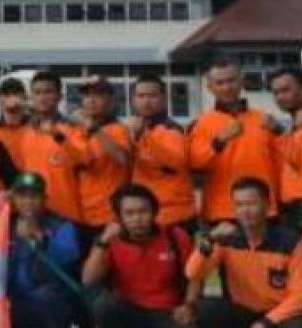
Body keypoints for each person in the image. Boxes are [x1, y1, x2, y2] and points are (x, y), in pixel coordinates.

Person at [186, 177, 302, 328]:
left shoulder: (291, 242)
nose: (245, 210)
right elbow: (193, 272)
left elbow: (299, 296)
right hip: (244, 313)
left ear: (268, 205)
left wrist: (261, 325)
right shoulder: (226, 239)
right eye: (239, 204)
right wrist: (209, 239)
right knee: (209, 308)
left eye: (251, 203)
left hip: (281, 317)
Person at [82, 184, 205, 328]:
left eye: (143, 211)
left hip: (167, 312)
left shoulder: (176, 236)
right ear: (119, 217)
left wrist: (189, 305)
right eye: (129, 213)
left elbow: (195, 276)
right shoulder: (109, 241)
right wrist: (103, 241)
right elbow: (88, 279)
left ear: (154, 213)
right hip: (128, 312)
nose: (137, 218)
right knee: (102, 303)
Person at [188, 58, 281, 224]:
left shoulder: (264, 120)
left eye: (231, 80)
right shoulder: (201, 124)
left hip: (266, 209)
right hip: (222, 210)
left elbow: (282, 165)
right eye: (220, 83)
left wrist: (279, 131)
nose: (227, 87)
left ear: (241, 81)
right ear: (210, 87)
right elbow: (195, 164)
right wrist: (219, 141)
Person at [6, 171, 79, 328]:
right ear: (13, 198)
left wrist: (41, 240)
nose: (28, 201)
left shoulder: (61, 225)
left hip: (49, 294)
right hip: (12, 297)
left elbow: (69, 254)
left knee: (47, 296)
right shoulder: (3, 224)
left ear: (44, 199)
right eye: (22, 196)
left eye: (34, 196)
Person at [18, 71, 88, 225]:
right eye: (37, 93)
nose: (42, 97)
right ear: (31, 97)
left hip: (67, 215)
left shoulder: (74, 128)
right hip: (32, 217)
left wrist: (57, 135)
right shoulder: (25, 132)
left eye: (48, 92)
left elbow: (83, 160)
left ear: (59, 96)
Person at [126, 74, 195, 230]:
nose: (146, 101)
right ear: (133, 100)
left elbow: (173, 163)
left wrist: (142, 137)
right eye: (141, 96)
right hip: (145, 213)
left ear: (164, 98)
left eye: (152, 96)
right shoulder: (132, 128)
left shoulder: (172, 129)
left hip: (174, 215)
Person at [77, 75, 133, 239]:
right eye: (87, 95)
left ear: (111, 99)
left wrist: (95, 130)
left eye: (98, 95)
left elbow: (123, 158)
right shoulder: (77, 130)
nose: (91, 100)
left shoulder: (119, 130)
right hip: (81, 215)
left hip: (109, 216)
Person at [269, 67, 302, 232]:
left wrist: (279, 132)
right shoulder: (293, 121)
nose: (280, 97)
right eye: (275, 93)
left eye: (286, 90)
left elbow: (297, 159)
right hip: (290, 204)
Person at [0, 77, 30, 166]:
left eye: (15, 94)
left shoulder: (36, 128)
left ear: (25, 98)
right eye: (6, 95)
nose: (11, 98)